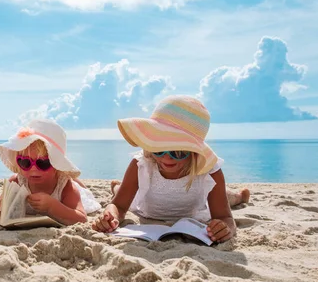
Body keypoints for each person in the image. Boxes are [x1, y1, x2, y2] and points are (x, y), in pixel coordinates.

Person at [92, 95, 249, 243]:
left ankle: (240, 196)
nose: (166, 158)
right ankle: (117, 187)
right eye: (159, 149)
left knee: (227, 199)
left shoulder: (209, 170)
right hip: (146, 208)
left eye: (178, 152)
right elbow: (119, 206)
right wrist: (110, 217)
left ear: (194, 151)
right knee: (124, 193)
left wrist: (225, 228)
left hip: (194, 211)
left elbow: (225, 217)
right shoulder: (141, 164)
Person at [0, 119, 100, 226]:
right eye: (25, 162)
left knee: (84, 191)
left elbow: (81, 219)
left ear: (57, 165)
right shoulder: (17, 181)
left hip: (74, 192)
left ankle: (78, 183)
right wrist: (2, 204)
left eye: (43, 163)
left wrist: (52, 206)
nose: (33, 169)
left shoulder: (65, 186)